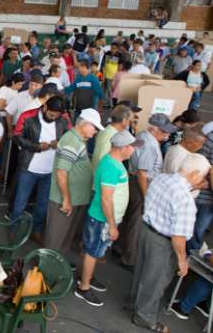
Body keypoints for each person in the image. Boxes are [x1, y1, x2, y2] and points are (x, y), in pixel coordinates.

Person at [130, 156, 208, 333]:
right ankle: (144, 317)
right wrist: (182, 260)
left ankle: (133, 304)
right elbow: (178, 237)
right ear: (195, 174)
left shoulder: (162, 178)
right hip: (162, 243)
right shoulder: (185, 200)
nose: (203, 180)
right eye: (202, 176)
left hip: (146, 231)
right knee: (155, 281)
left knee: (141, 272)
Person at [75, 131, 141, 307]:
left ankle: (85, 277)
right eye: (132, 146)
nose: (134, 150)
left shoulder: (113, 161)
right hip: (102, 220)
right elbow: (106, 198)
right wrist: (112, 226)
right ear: (123, 148)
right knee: (92, 251)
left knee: (93, 251)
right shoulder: (112, 166)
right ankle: (83, 287)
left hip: (101, 218)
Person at [114, 113, 177, 268]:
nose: (167, 134)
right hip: (141, 184)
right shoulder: (149, 145)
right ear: (154, 129)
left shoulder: (143, 135)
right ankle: (128, 258)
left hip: (134, 181)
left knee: (129, 217)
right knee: (136, 221)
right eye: (164, 131)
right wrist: (147, 195)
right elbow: (143, 173)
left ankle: (119, 246)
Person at [44, 109, 103, 259]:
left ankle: (55, 269)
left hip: (73, 199)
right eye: (94, 127)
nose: (95, 131)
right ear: (84, 124)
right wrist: (67, 200)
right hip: (64, 201)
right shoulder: (72, 142)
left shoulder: (77, 140)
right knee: (56, 241)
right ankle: (45, 273)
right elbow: (61, 172)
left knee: (63, 240)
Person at [11, 96, 70, 243]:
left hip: (50, 171)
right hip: (29, 169)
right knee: (20, 203)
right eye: (51, 115)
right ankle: (14, 231)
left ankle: (36, 231)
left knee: (42, 206)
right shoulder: (28, 116)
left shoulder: (63, 120)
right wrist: (37, 146)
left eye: (56, 116)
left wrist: (60, 143)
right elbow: (17, 136)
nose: (53, 118)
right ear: (44, 108)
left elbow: (69, 138)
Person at [91, 104, 132, 169]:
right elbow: (102, 159)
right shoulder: (110, 134)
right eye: (129, 120)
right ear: (124, 121)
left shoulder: (108, 131)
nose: (130, 123)